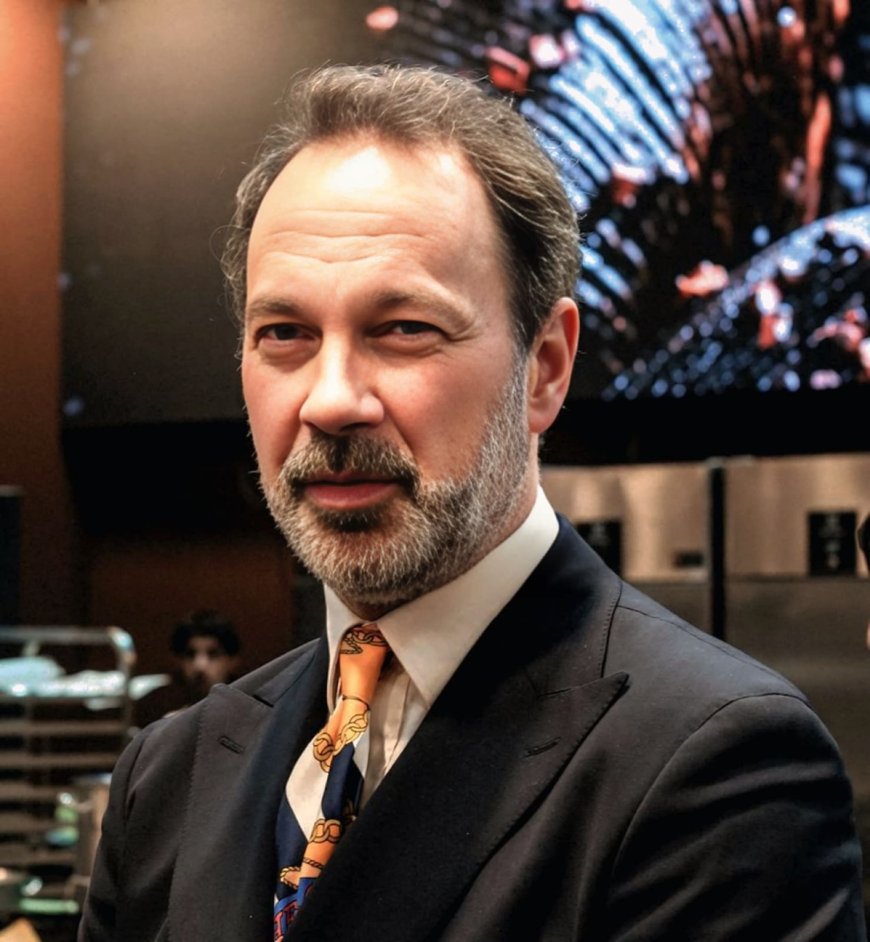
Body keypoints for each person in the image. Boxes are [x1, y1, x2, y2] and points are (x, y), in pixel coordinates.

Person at [78, 64, 865, 941]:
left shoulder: (716, 766)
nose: (330, 400)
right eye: (284, 334)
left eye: (404, 328)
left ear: (547, 369)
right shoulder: (168, 775)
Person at [133, 610, 242, 728]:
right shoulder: (156, 706)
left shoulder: (247, 709)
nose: (200, 665)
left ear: (232, 661)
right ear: (177, 661)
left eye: (213, 654)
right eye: (190, 654)